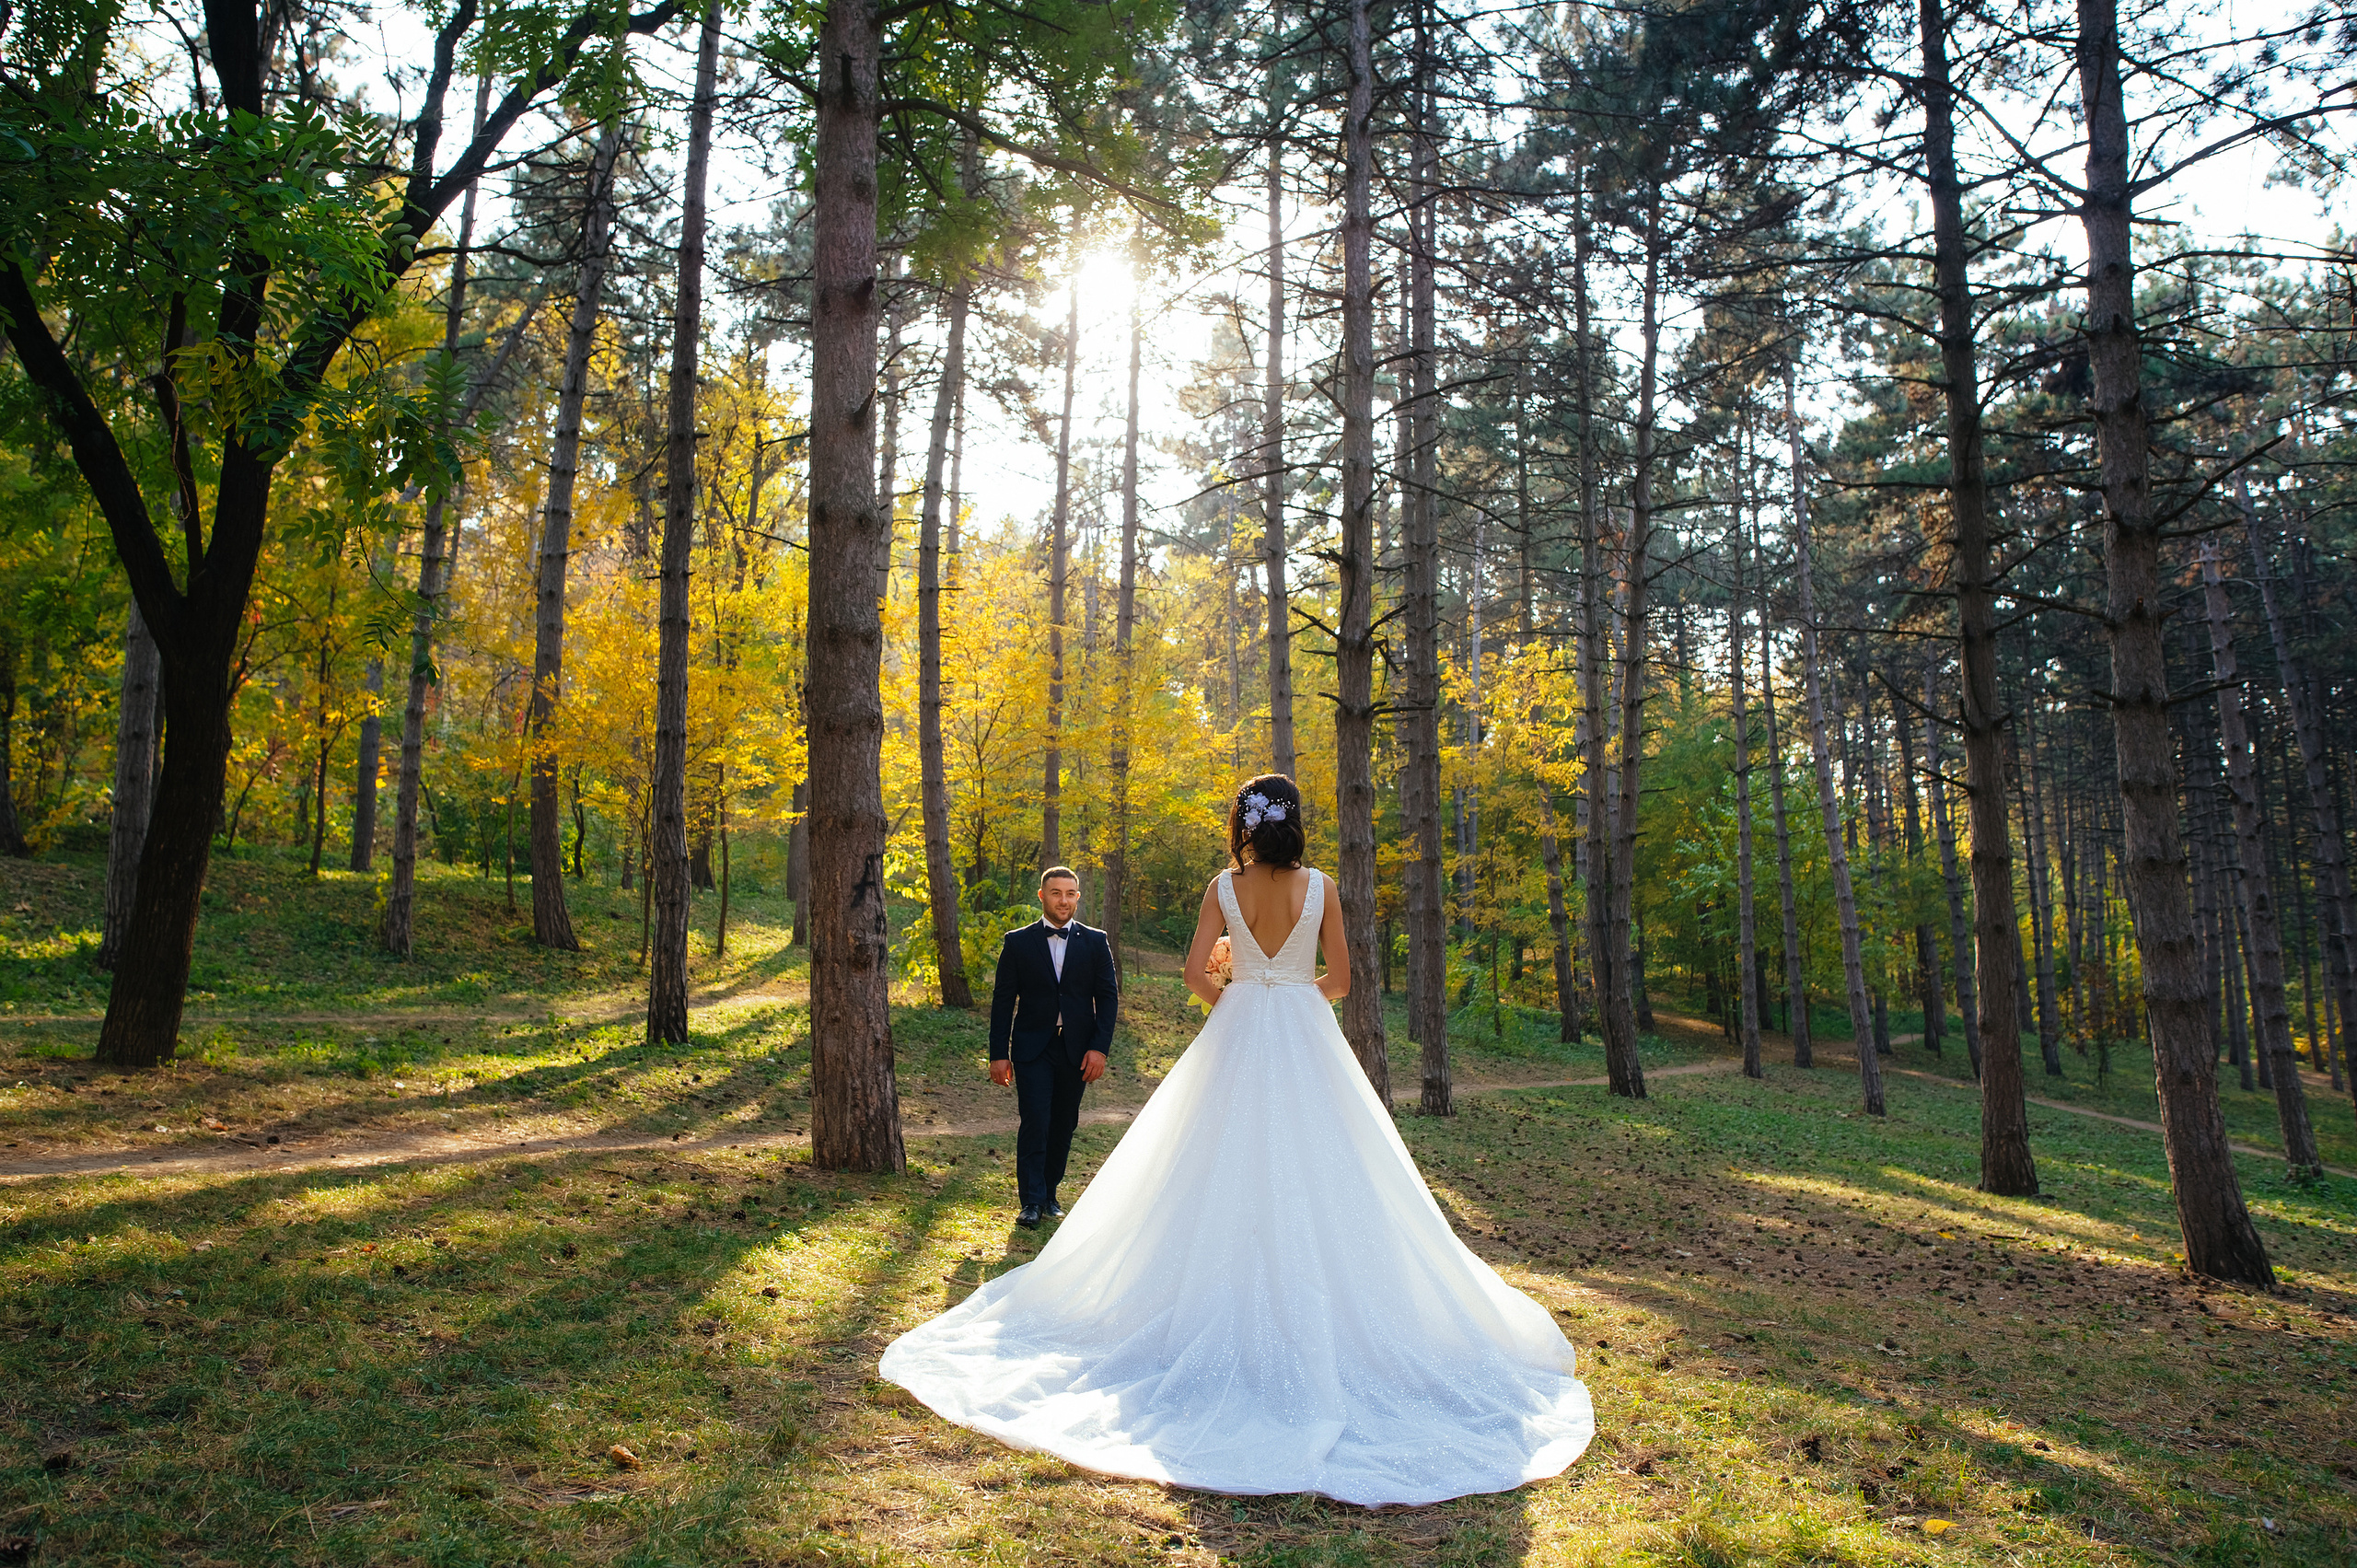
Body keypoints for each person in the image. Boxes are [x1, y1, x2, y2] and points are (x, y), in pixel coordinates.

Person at [882, 774, 1595, 1506]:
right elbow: (1343, 979)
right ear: (1296, 821)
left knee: (1209, 1162)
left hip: (1239, 1028)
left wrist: (1238, 995)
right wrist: (1294, 996)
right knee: (1331, 1164)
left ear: (1244, 825)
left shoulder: (1224, 887)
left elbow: (1194, 973)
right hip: (1306, 1033)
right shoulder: (1322, 886)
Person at [987, 865, 1118, 1229]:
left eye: (1070, 893)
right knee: (1036, 1119)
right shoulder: (1018, 942)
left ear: (1078, 897)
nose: (1064, 900)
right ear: (1042, 896)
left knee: (1064, 1122)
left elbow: (1108, 998)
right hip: (1033, 1048)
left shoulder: (1095, 941)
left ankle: (1049, 1194)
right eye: (1056, 893)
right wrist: (998, 1054)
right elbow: (1002, 1001)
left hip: (1077, 1050)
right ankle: (1031, 1201)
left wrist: (1099, 1048)